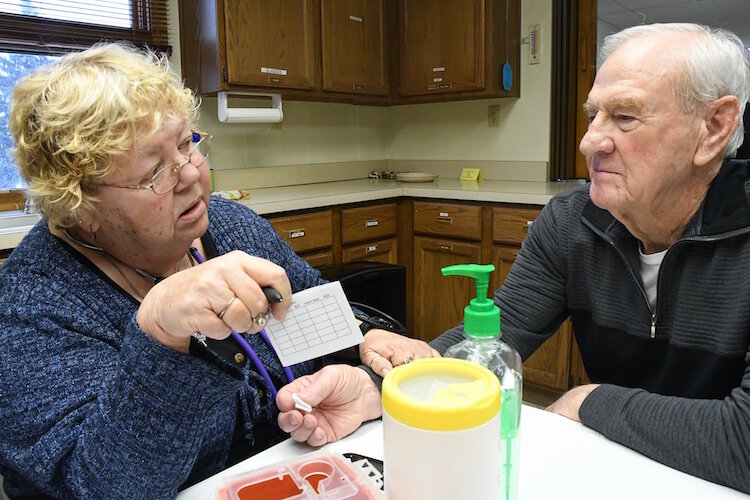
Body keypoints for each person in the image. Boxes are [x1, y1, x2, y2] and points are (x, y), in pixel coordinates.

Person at [297, 23, 750, 493]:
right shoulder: (572, 224)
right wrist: (385, 385)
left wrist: (589, 400)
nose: (590, 142)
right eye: (593, 115)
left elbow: (742, 443)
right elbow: (496, 335)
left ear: (713, 128)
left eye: (625, 117)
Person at [0, 42, 434, 499]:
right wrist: (160, 334)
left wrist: (366, 340)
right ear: (81, 206)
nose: (190, 174)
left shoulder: (226, 226)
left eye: (188, 143)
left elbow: (311, 308)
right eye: (155, 171)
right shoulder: (31, 306)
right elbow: (98, 487)